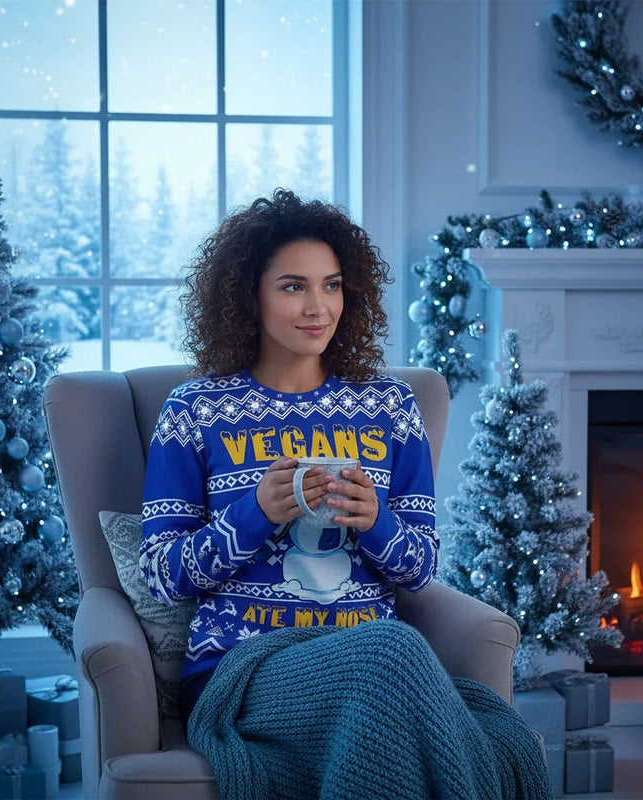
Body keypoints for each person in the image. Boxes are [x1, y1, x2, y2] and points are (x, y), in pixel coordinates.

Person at [140, 189, 551, 800]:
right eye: (292, 286)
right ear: (246, 295)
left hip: (375, 658)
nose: (317, 307)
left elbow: (420, 568)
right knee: (397, 653)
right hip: (246, 668)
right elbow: (159, 575)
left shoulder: (391, 408)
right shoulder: (195, 410)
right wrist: (253, 514)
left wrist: (375, 522)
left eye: (331, 285)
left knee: (393, 656)